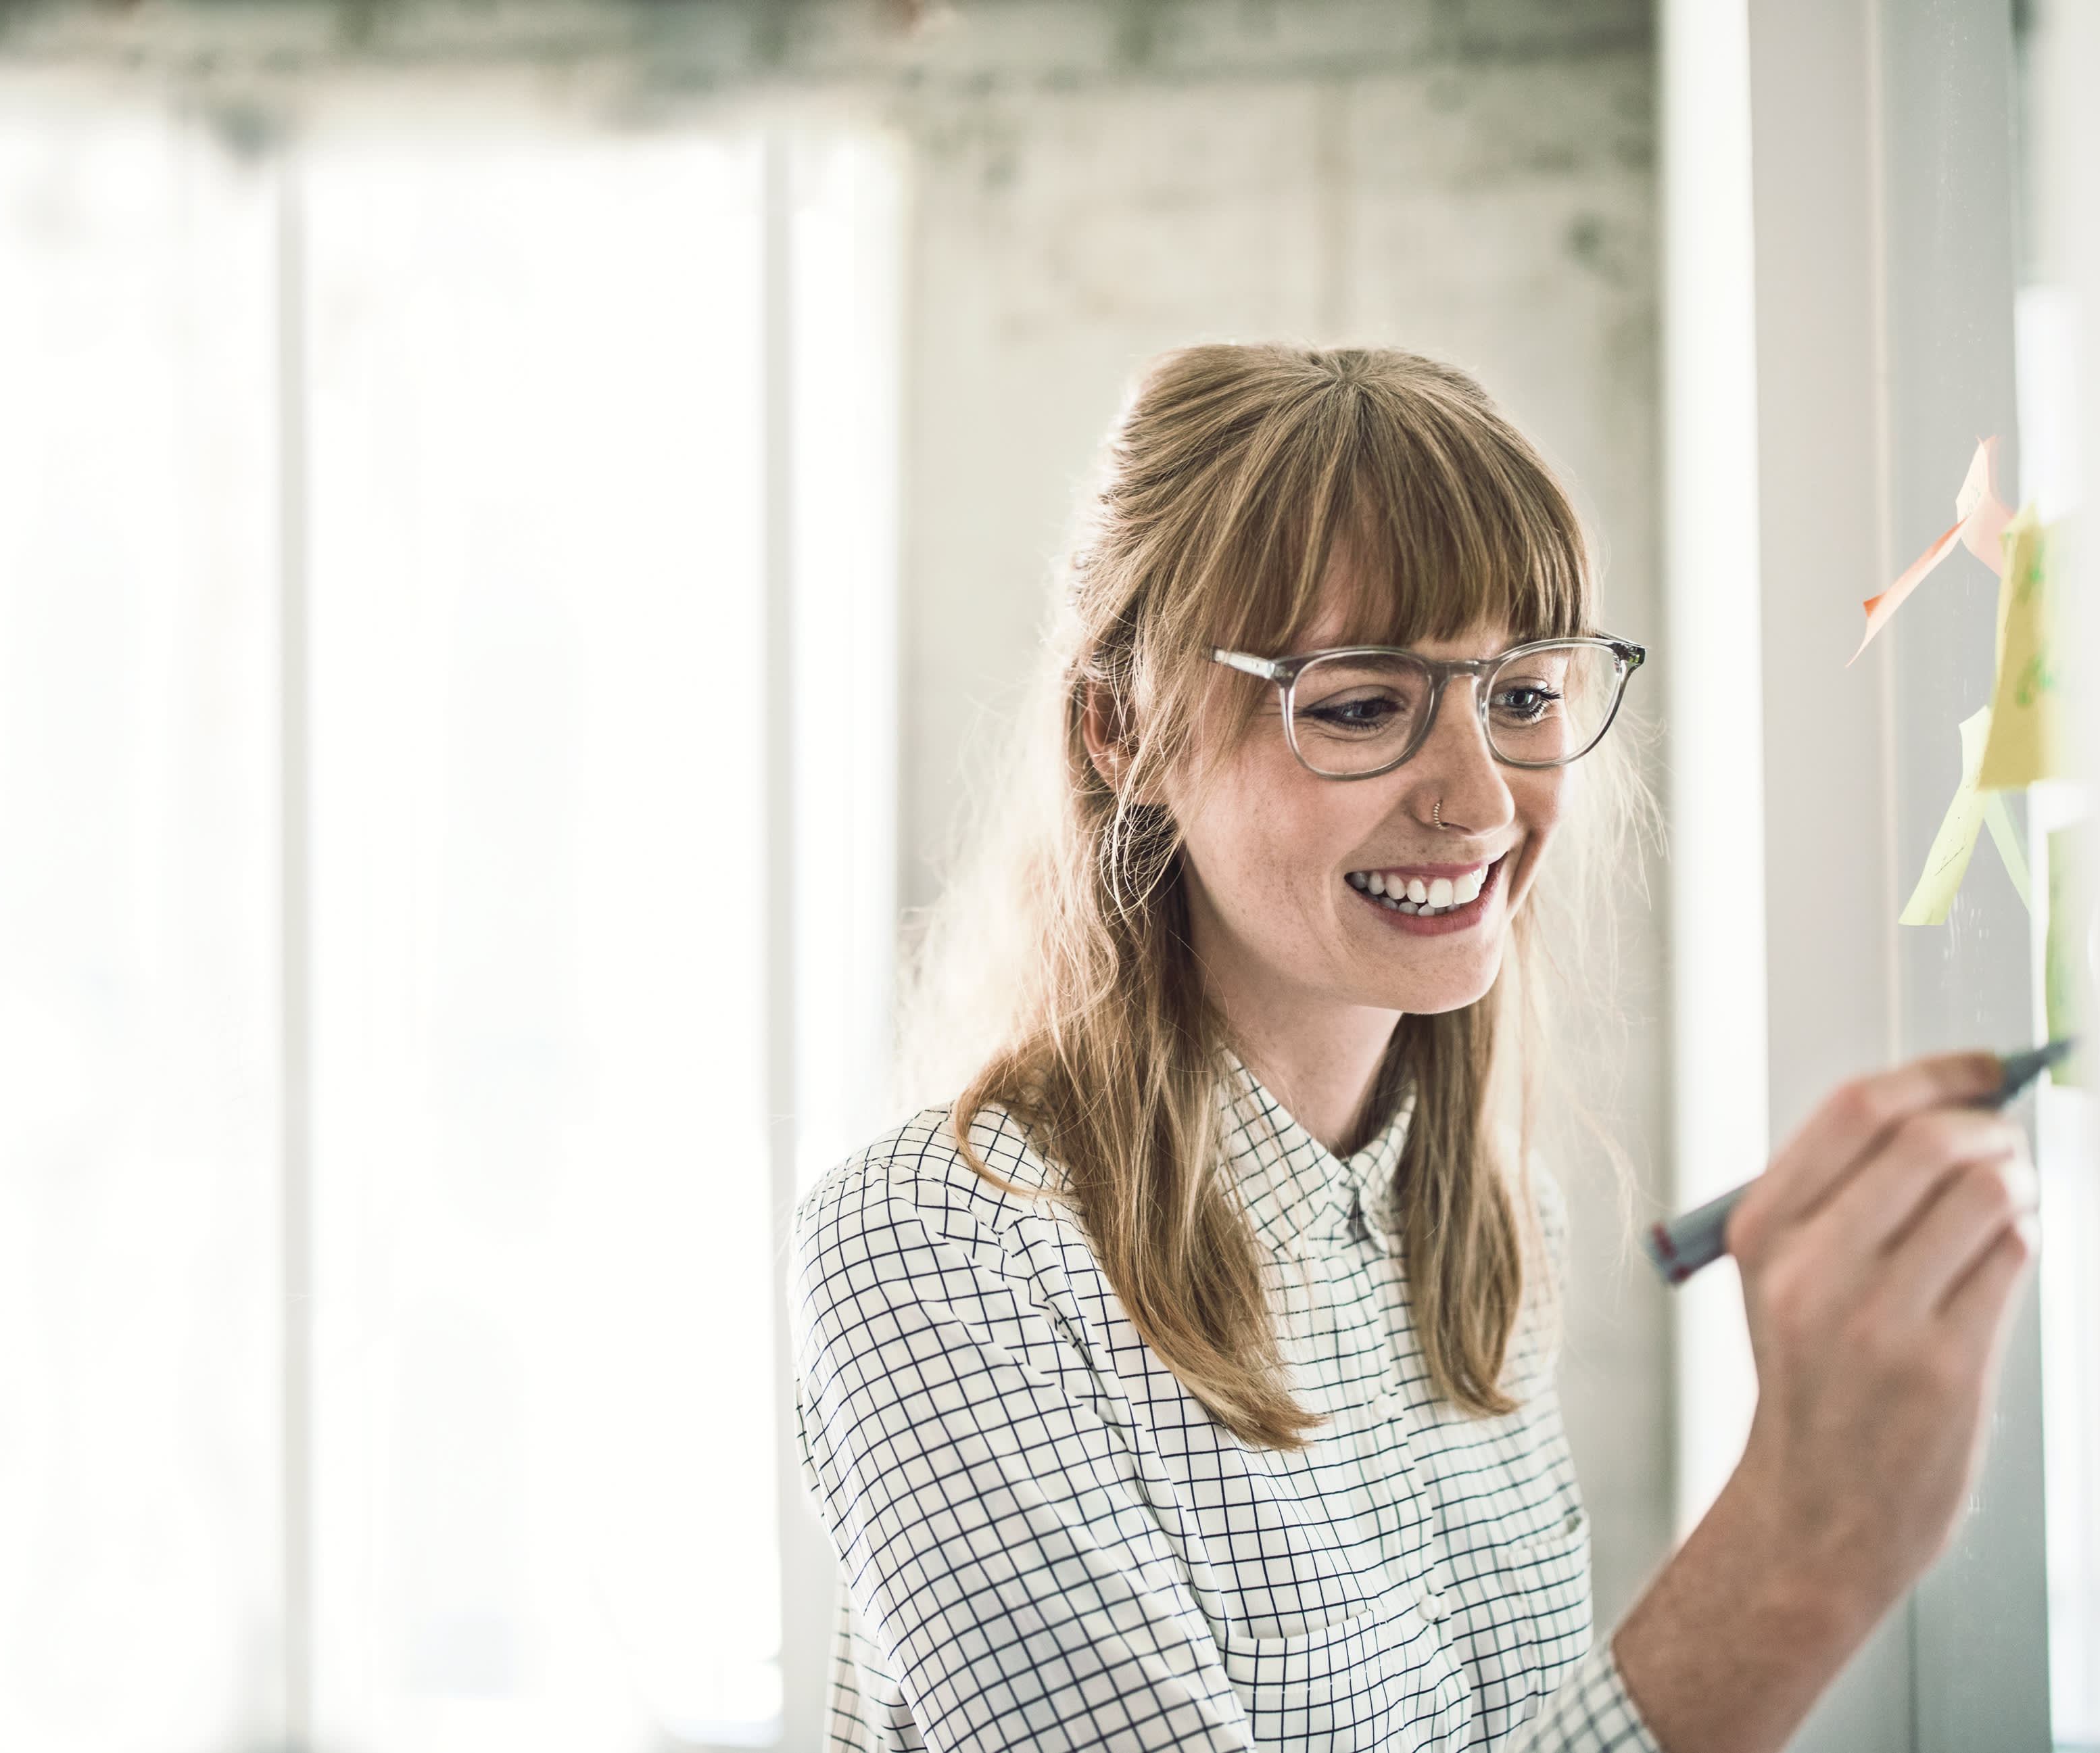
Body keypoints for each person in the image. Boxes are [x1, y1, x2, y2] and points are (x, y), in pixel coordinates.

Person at [792, 344, 2035, 1752]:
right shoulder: (937, 1250)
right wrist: (1799, 1546)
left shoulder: (1497, 1235)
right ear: (1122, 729)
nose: (1478, 799)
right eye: (1360, 704)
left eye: (1519, 694)